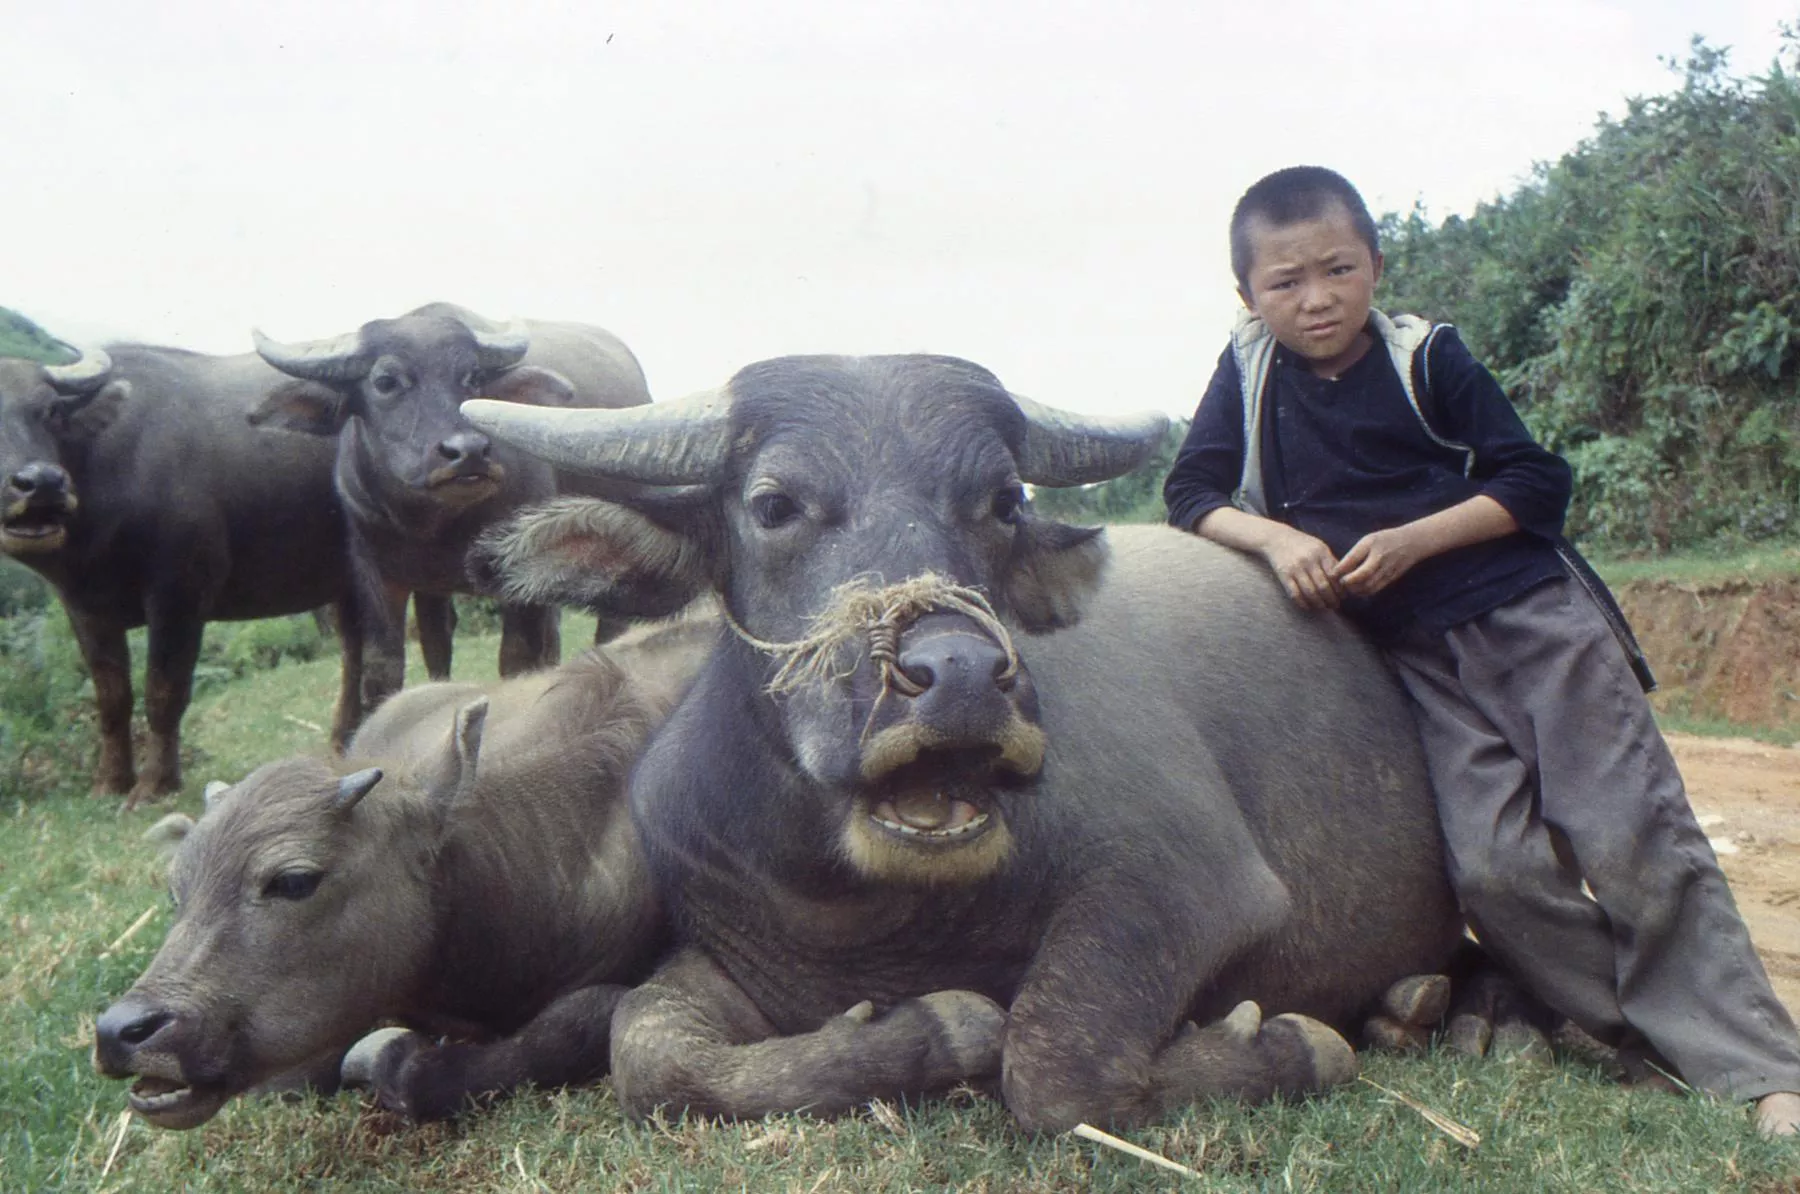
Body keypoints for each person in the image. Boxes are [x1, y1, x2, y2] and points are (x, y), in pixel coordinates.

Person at [1162, 164, 1800, 1137]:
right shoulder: (1247, 374)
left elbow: (1536, 483)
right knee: (1496, 872)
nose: (1316, 298)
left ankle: (1759, 1070)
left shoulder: (1427, 355)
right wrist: (1281, 541)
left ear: (1376, 265)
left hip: (1530, 620)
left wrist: (1416, 540)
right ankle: (1636, 1037)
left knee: (1632, 838)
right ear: (1246, 294)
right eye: (1285, 283)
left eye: (1337, 270)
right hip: (1415, 662)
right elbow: (1192, 494)